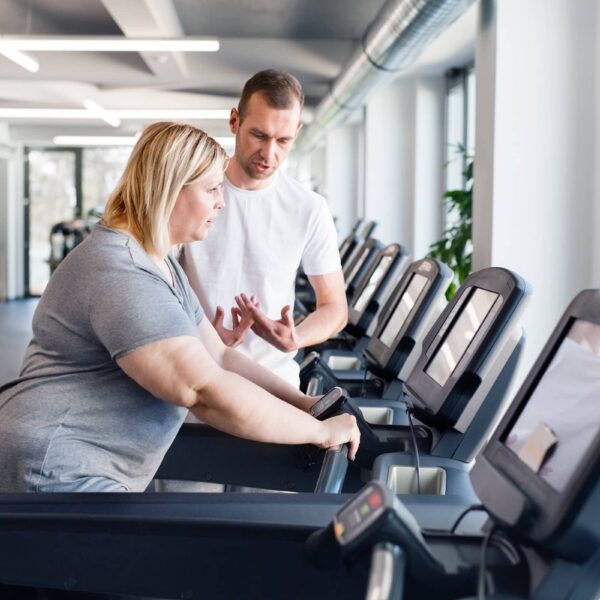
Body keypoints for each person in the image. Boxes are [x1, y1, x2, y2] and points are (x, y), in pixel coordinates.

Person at [0, 121, 360, 493]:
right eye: (211, 189)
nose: (221, 201)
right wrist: (319, 432)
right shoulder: (120, 271)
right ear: (170, 189)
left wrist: (303, 403)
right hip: (57, 470)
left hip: (85, 463)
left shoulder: (159, 261)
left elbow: (219, 356)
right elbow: (203, 390)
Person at [179, 69, 348, 387]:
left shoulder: (308, 208)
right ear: (234, 122)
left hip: (273, 385)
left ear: (296, 132)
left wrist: (296, 337)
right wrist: (197, 332)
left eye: (283, 140)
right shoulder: (189, 194)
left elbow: (334, 307)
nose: (270, 153)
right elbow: (153, 287)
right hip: (194, 375)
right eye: (259, 135)